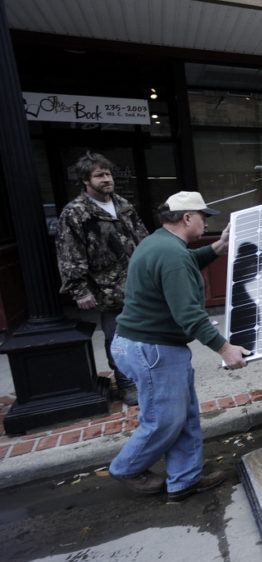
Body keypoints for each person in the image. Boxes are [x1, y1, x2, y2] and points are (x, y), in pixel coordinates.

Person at [108, 191, 250, 502]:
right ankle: (126, 467)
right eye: (203, 217)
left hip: (149, 344)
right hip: (151, 349)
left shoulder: (161, 243)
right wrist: (225, 349)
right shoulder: (171, 254)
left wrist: (218, 247)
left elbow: (187, 261)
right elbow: (189, 314)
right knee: (164, 419)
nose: (206, 222)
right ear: (187, 218)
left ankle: (184, 480)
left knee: (183, 415)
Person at [55, 152, 151, 405]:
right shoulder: (75, 213)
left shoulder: (122, 204)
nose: (106, 179)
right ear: (86, 180)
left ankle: (146, 376)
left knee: (146, 332)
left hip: (139, 282)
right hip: (108, 289)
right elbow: (69, 254)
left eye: (108, 174)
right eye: (99, 175)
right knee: (118, 338)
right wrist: (79, 290)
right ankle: (126, 383)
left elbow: (143, 238)